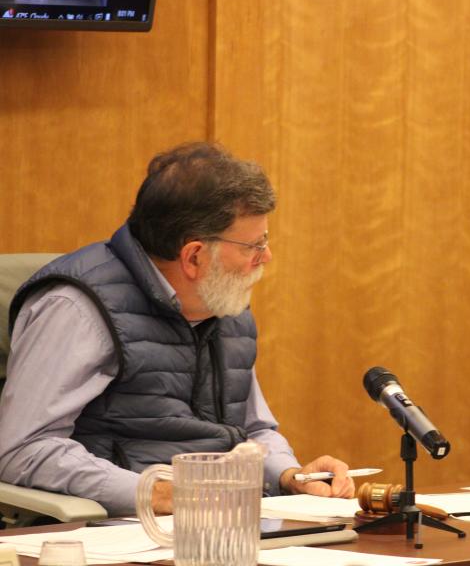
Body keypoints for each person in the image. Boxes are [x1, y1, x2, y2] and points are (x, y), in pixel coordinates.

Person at [0, 142, 355, 516]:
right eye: (254, 245)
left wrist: (289, 475)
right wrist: (154, 493)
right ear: (195, 256)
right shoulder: (76, 308)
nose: (265, 257)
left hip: (224, 523)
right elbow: (24, 448)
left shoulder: (221, 300)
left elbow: (252, 430)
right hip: (125, 531)